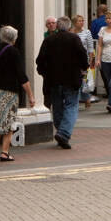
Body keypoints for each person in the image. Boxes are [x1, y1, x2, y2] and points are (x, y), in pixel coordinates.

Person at [0, 24, 34, 162]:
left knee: (0, 116)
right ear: (14, 39)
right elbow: (22, 76)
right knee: (9, 120)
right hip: (9, 91)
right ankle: (5, 152)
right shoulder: (13, 52)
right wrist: (30, 96)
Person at [35, 17, 88, 149]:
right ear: (69, 27)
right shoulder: (74, 39)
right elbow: (83, 56)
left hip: (53, 80)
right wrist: (84, 68)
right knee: (71, 106)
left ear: (57, 27)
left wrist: (43, 73)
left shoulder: (49, 40)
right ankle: (63, 133)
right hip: (72, 79)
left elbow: (40, 60)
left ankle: (61, 134)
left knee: (57, 108)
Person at [72, 13, 96, 108]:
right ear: (74, 23)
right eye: (79, 21)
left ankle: (84, 98)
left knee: (82, 80)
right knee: (77, 80)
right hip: (73, 60)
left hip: (83, 60)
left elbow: (90, 47)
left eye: (82, 21)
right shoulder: (71, 33)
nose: (81, 23)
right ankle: (84, 98)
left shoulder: (87, 32)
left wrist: (90, 60)